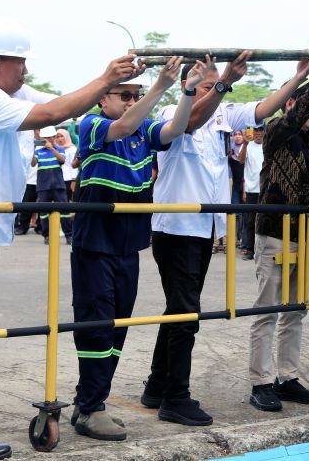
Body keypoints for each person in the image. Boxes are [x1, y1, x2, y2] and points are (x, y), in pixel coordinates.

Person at [0, 15, 142, 460]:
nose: (25, 70)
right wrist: (106, 78)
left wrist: (112, 83)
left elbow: (70, 103)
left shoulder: (6, 91)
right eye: (20, 62)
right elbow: (53, 113)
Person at [142, 52, 309, 427]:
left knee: (178, 309)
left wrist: (300, 76)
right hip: (176, 229)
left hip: (204, 229)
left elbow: (264, 108)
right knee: (186, 314)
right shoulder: (169, 114)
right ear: (188, 86)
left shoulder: (223, 113)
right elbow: (190, 120)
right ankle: (175, 397)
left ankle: (157, 386)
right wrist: (221, 84)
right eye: (206, 87)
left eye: (216, 87)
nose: (215, 95)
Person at [70, 56, 212, 442]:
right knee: (97, 328)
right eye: (124, 95)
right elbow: (123, 125)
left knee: (118, 329)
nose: (132, 102)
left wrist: (185, 91)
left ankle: (92, 401)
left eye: (136, 96)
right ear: (103, 98)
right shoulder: (93, 124)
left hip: (128, 246)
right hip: (96, 245)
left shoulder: (141, 130)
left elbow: (177, 128)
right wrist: (160, 87)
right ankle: (89, 406)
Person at [248, 61, 309, 413]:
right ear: (290, 103)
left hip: (307, 235)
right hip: (275, 234)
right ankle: (260, 382)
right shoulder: (276, 130)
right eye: (306, 105)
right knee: (267, 311)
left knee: (296, 311)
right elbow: (294, 116)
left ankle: (286, 377)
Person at [32, 125, 71, 245]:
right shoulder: (38, 151)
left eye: (49, 138)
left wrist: (52, 149)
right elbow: (33, 164)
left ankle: (69, 235)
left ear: (53, 138)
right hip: (43, 186)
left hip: (58, 185)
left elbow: (62, 160)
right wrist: (33, 149)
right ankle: (47, 235)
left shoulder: (60, 150)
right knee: (43, 212)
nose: (47, 141)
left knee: (64, 211)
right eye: (44, 138)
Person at [238, 125, 265, 261]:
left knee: (264, 220)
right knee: (250, 220)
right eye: (256, 130)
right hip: (251, 189)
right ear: (252, 132)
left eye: (261, 130)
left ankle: (261, 249)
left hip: (266, 189)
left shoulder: (268, 145)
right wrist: (244, 143)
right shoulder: (248, 146)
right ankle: (249, 248)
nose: (259, 133)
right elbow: (241, 160)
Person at [55, 128, 78, 201]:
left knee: (66, 201)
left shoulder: (72, 149)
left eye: (62, 136)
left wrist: (73, 180)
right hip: (57, 179)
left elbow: (74, 166)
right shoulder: (54, 149)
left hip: (68, 179)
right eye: (57, 137)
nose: (59, 139)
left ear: (66, 137)